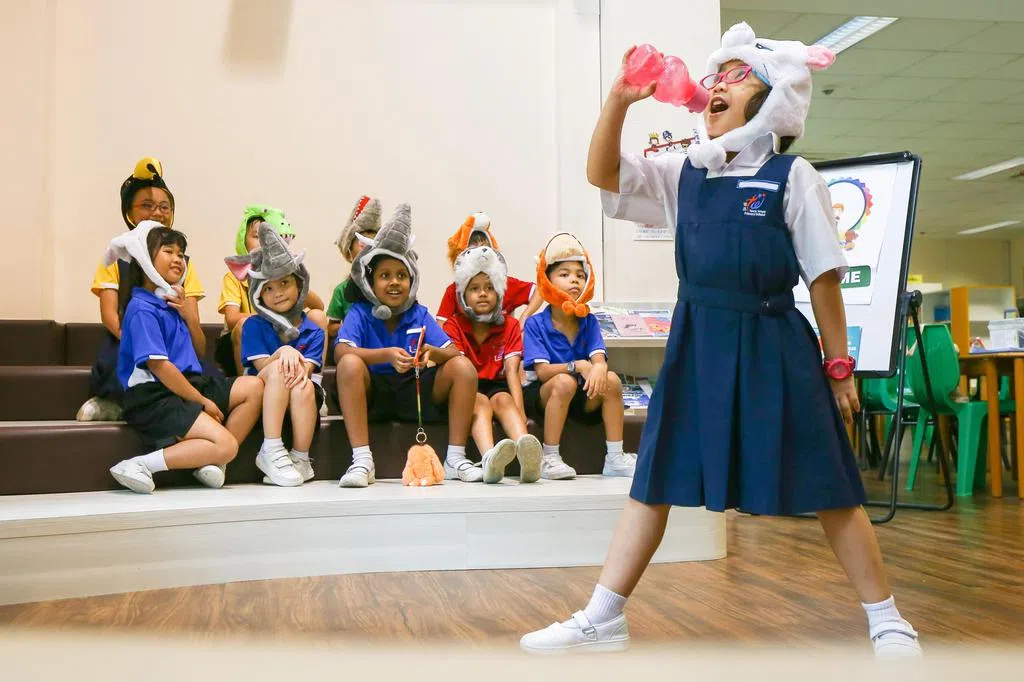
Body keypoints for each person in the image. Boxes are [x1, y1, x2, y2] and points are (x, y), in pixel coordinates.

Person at [519, 22, 921, 658]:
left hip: (775, 345)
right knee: (653, 481)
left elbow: (823, 279)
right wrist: (620, 99)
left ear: (771, 100)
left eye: (737, 76)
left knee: (831, 484)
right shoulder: (685, 174)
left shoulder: (793, 176)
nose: (717, 84)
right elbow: (604, 174)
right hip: (698, 345)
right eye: (717, 75)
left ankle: (889, 621)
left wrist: (840, 367)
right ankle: (602, 619)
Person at [106, 221, 263, 494]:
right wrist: (201, 401)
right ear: (145, 259)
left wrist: (190, 317)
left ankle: (212, 462)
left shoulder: (171, 302)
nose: (178, 259)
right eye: (169, 251)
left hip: (188, 382)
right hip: (153, 395)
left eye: (181, 254)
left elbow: (199, 351)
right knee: (227, 445)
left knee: (255, 386)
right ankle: (139, 465)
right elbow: (160, 367)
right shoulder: (142, 308)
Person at [333, 204, 479, 487]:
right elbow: (340, 351)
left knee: (462, 366)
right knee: (349, 363)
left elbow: (453, 351)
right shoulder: (360, 312)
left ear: (412, 281)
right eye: (385, 276)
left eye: (402, 275)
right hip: (372, 392)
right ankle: (362, 461)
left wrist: (432, 353)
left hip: (415, 390)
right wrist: (385, 355)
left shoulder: (419, 313)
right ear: (370, 282)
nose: (394, 282)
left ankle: (455, 458)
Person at [79, 157, 210, 421]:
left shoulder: (182, 264)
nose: (157, 212)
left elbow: (193, 324)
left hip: (174, 343)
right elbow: (110, 316)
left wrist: (181, 336)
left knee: (203, 373)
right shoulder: (116, 257)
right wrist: (144, 341)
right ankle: (115, 404)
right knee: (121, 365)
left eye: (164, 206)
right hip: (129, 340)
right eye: (147, 205)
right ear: (129, 212)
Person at [521, 233, 636, 481]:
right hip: (545, 394)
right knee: (564, 382)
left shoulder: (589, 320)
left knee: (612, 380)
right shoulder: (535, 323)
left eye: (580, 275)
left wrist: (599, 367)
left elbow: (599, 359)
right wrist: (578, 365)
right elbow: (542, 372)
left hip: (581, 395)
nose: (574, 279)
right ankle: (550, 457)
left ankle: (615, 457)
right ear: (547, 280)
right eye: (564, 274)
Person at [230, 222, 326, 487]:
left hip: (299, 391)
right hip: (264, 388)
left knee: (304, 385)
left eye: (284, 282)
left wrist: (291, 356)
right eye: (268, 288)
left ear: (299, 285)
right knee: (278, 370)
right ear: (258, 295)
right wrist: (284, 351)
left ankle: (301, 458)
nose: (278, 293)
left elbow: (306, 370)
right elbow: (262, 367)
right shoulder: (253, 325)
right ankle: (271, 448)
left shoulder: (313, 329)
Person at [442, 246, 543, 483]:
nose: (483, 294)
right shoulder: (453, 326)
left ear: (499, 294)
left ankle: (527, 454)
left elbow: (512, 372)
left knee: (504, 399)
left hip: (497, 385)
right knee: (480, 402)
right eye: (474, 289)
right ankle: (489, 459)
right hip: (468, 389)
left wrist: (522, 413)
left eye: (489, 288)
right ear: (462, 296)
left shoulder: (510, 326)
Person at [435, 212, 543, 325]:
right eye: (474, 288)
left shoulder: (506, 284)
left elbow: (540, 290)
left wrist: (525, 317)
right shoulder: (454, 290)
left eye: (484, 248)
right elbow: (440, 328)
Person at [327, 195, 382, 340]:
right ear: (349, 253)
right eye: (363, 245)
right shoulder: (341, 290)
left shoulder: (384, 288)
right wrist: (353, 325)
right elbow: (331, 328)